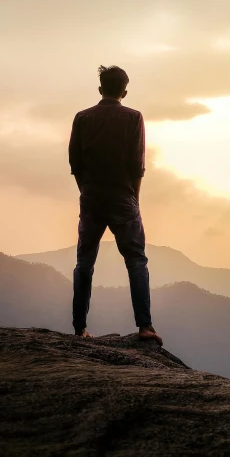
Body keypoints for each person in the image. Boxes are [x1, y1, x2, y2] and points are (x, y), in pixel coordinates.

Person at [68, 65, 163, 345]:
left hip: (91, 198)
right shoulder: (134, 118)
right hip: (123, 197)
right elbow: (138, 165)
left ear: (100, 89)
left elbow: (75, 164)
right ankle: (145, 327)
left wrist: (85, 191)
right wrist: (135, 198)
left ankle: (79, 329)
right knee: (136, 261)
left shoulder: (82, 118)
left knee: (84, 263)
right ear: (124, 91)